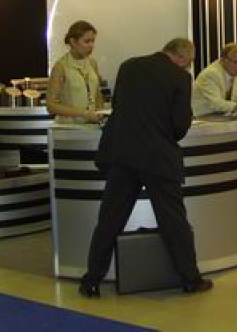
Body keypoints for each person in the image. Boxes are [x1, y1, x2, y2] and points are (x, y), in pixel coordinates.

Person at [80, 38, 213, 297]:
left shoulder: (128, 66)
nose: (187, 68)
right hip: (157, 158)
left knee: (109, 219)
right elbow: (180, 125)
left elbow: (118, 106)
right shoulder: (180, 78)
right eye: (188, 63)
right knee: (173, 220)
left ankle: (91, 280)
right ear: (181, 57)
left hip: (123, 155)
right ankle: (190, 279)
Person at [46, 20, 104, 124]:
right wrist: (84, 113)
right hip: (68, 128)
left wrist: (101, 112)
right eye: (87, 41)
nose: (91, 45)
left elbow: (97, 94)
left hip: (91, 126)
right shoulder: (61, 66)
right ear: (73, 42)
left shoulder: (92, 63)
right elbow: (51, 106)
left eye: (93, 41)